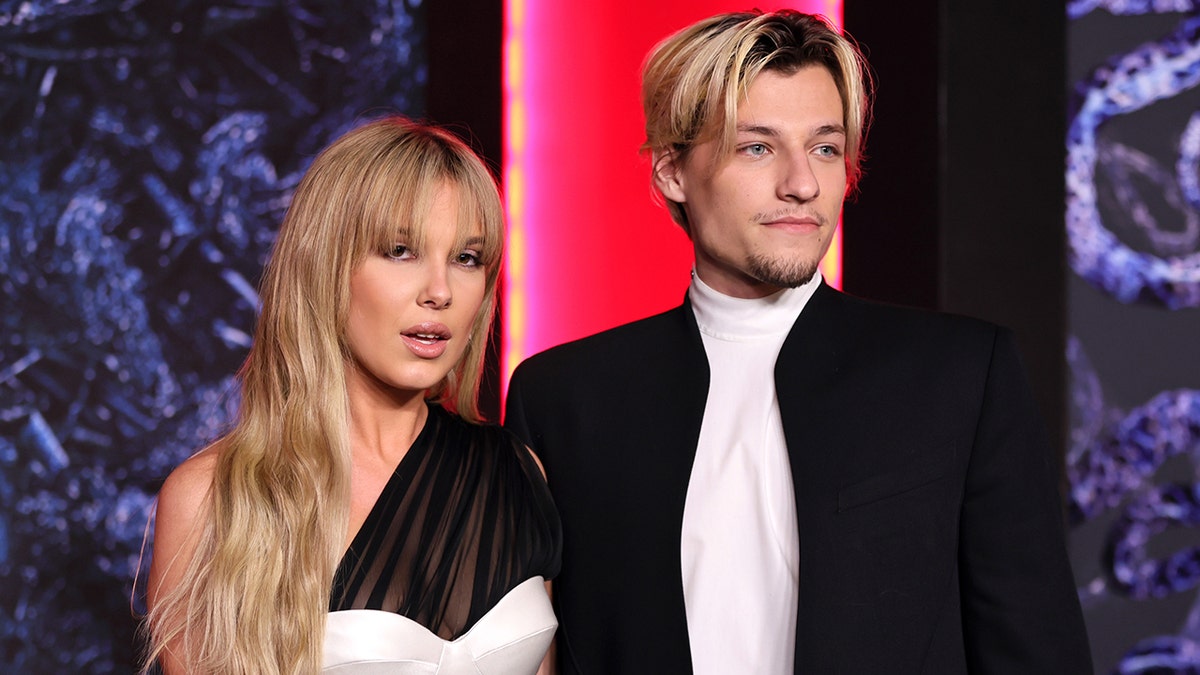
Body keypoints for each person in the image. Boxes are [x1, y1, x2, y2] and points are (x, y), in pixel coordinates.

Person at [504, 9, 1091, 674]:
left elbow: (1037, 650)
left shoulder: (957, 374)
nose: (803, 184)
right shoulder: (566, 398)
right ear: (672, 172)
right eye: (757, 147)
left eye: (825, 148)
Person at [143, 117, 561, 674]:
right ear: (326, 266)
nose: (439, 291)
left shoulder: (516, 473)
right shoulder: (215, 499)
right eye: (400, 250)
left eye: (466, 258)